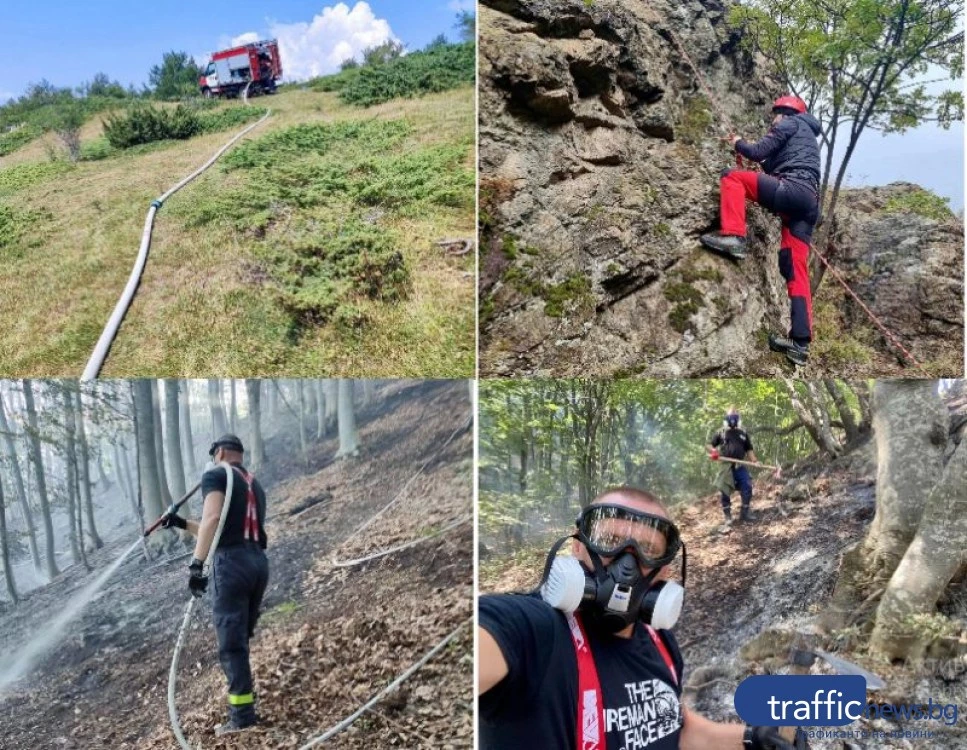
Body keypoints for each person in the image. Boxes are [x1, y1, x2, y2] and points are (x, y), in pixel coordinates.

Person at [478, 486, 806, 749]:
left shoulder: (659, 640)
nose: (627, 564)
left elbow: (677, 730)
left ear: (665, 568)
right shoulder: (534, 631)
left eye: (648, 550)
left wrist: (754, 738)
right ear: (578, 546)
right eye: (609, 541)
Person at [700, 95, 822, 366]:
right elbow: (769, 163)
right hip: (808, 204)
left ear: (785, 112)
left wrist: (738, 142)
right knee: (795, 271)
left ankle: (734, 236)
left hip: (791, 190)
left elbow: (757, 151)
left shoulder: (791, 123)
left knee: (732, 177)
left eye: (775, 115)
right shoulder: (806, 137)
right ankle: (800, 344)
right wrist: (754, 159)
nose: (773, 120)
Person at [162, 434, 270, 735]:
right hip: (257, 564)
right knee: (239, 640)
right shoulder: (253, 484)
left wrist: (197, 565)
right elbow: (220, 528)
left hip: (231, 566)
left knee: (231, 644)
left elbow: (211, 520)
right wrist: (181, 523)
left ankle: (242, 717)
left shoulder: (215, 474)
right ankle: (244, 705)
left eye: (213, 455)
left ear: (219, 452)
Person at [706, 408, 758, 525]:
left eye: (735, 416)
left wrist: (755, 460)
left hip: (740, 465)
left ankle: (744, 513)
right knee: (725, 489)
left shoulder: (743, 433)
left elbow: (749, 449)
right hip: (726, 466)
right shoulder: (721, 432)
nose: (733, 419)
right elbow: (709, 445)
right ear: (726, 418)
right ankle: (728, 516)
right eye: (731, 416)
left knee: (747, 486)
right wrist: (714, 451)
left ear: (738, 418)